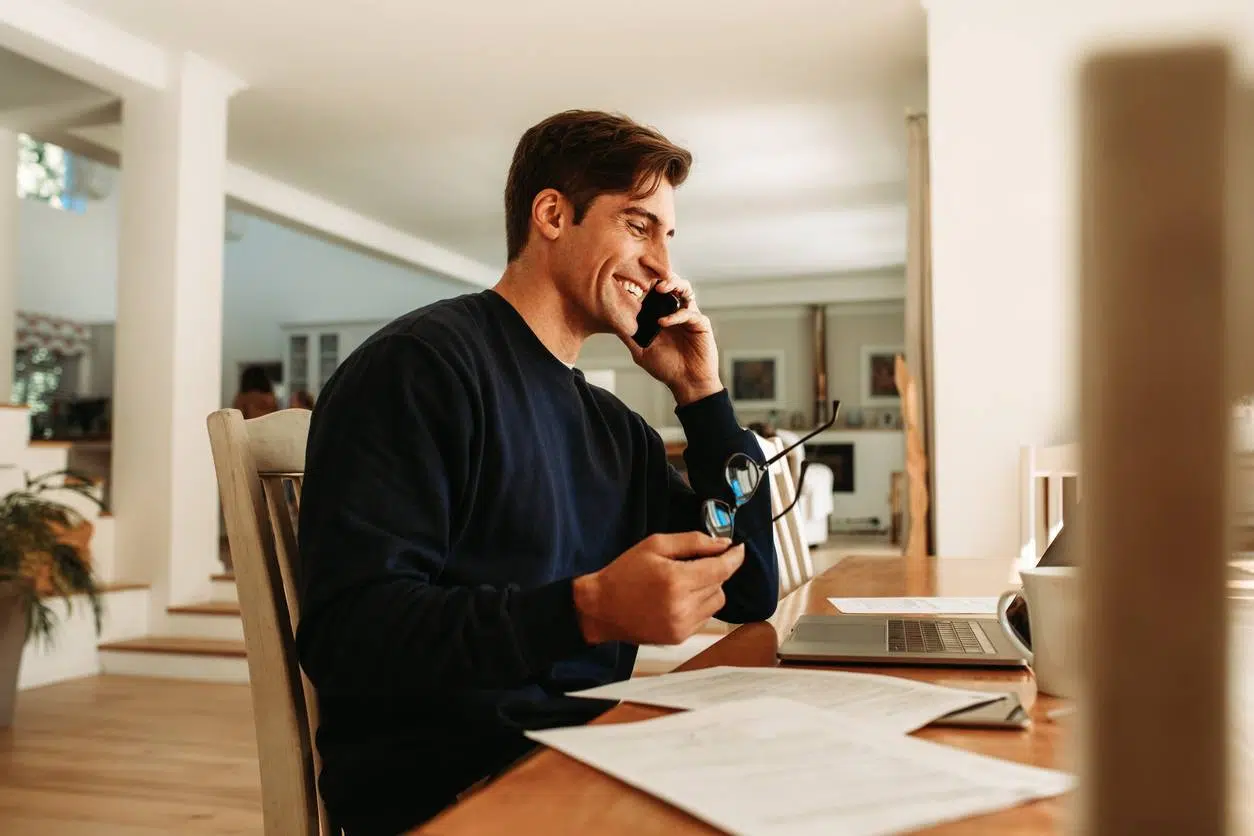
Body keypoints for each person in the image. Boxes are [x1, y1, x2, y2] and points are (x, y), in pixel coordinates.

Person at [296, 110, 778, 835]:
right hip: (456, 793)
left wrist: (703, 399)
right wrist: (589, 610)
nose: (663, 269)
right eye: (638, 227)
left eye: (667, 238)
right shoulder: (422, 366)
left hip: (587, 758)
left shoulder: (619, 432)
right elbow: (350, 635)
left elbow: (748, 586)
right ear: (552, 214)